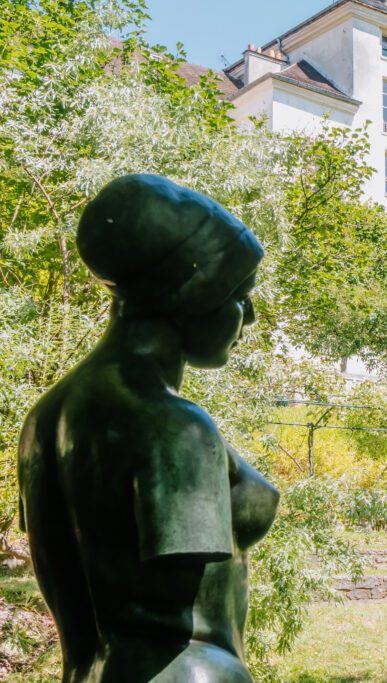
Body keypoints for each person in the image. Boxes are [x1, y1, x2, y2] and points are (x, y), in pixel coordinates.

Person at [17, 174, 278, 682]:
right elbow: (175, 598)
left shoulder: (45, 417)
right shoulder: (174, 426)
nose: (250, 316)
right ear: (187, 298)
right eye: (238, 294)